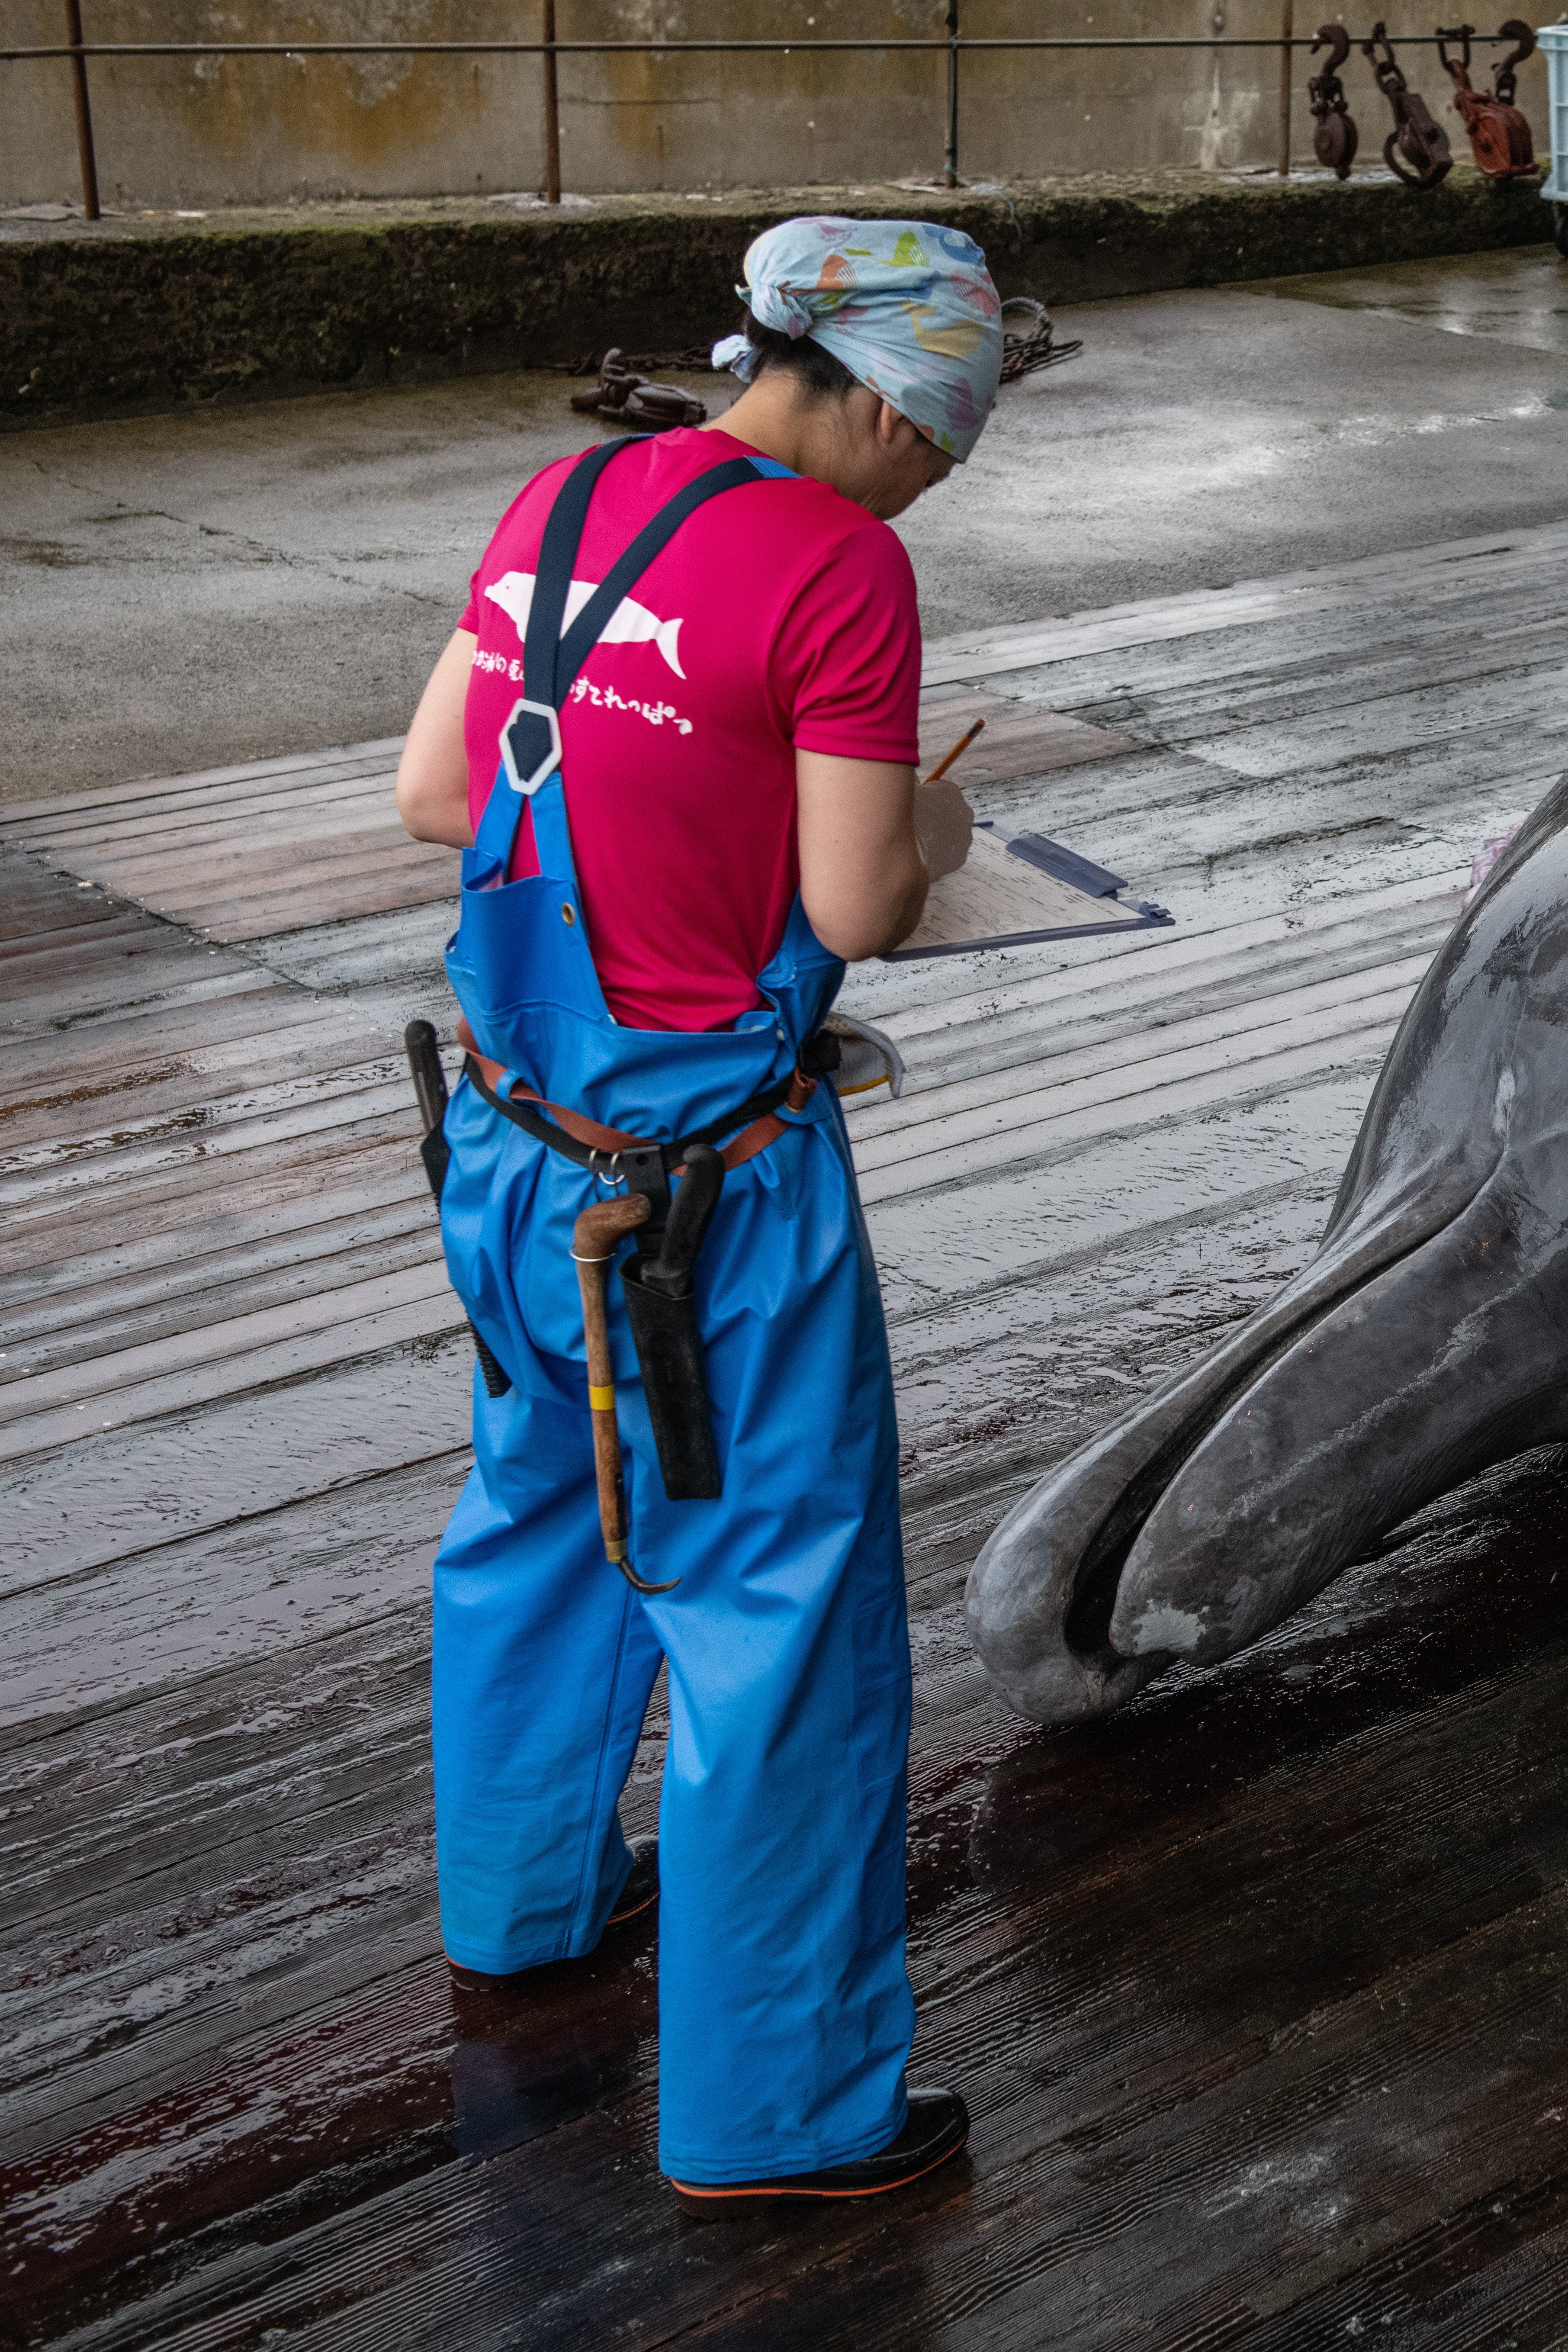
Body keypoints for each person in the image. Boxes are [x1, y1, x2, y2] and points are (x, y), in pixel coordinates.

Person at [387, 216, 999, 2213]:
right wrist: (929, 833)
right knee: (773, 1622)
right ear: (885, 396)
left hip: (504, 1148)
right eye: (942, 436)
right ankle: (786, 2116)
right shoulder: (842, 568)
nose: (936, 477)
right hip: (704, 1216)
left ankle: (527, 1908)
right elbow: (849, 917)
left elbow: (431, 794)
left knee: (538, 1526)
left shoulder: (558, 494)